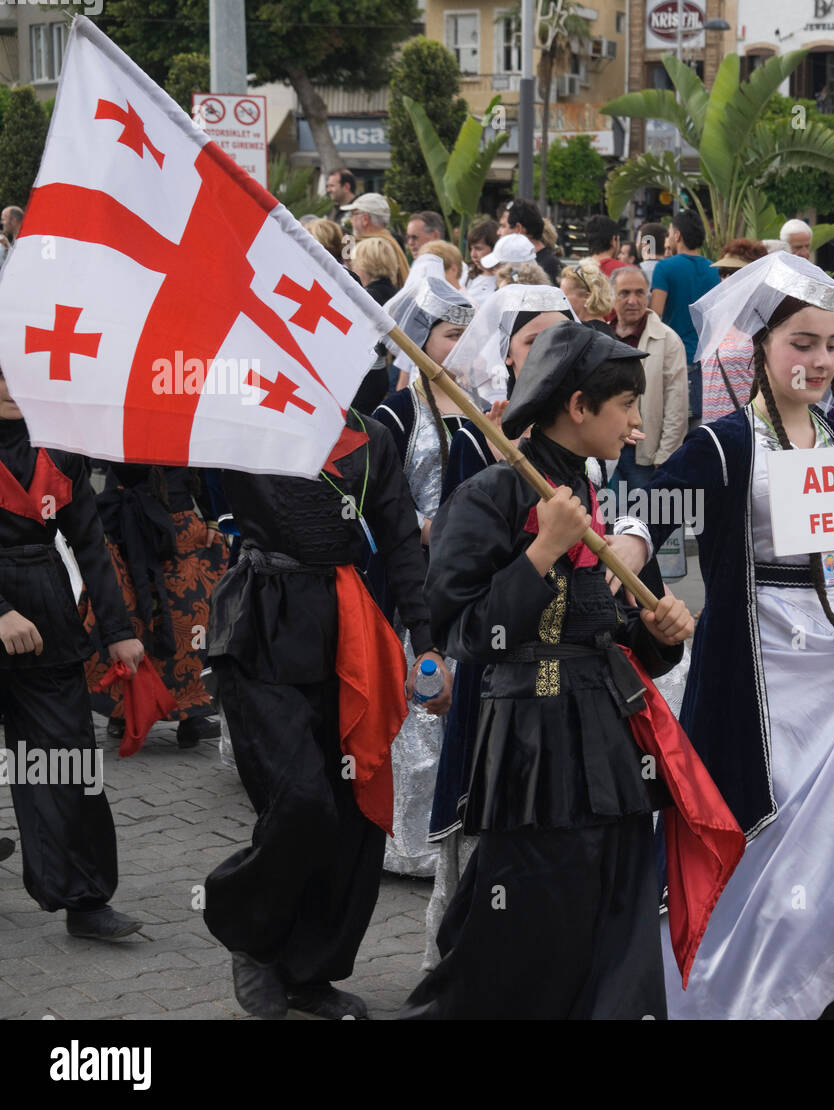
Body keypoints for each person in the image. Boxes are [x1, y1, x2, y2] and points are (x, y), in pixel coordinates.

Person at [619, 253, 834, 1018]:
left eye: (831, 343)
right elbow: (657, 508)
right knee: (760, 834)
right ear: (762, 346)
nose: (821, 360)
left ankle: (833, 992)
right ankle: (747, 992)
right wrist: (629, 545)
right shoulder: (730, 442)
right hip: (759, 671)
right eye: (802, 343)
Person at [401, 323, 694, 1018]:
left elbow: (593, 626)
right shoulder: (493, 495)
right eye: (625, 404)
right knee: (518, 940)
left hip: (607, 749)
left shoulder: (581, 492)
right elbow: (466, 632)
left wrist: (656, 635)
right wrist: (540, 554)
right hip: (531, 755)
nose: (634, 423)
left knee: (617, 930)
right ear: (579, 407)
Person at [203, 405, 436, 1021]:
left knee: (350, 811)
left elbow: (399, 536)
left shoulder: (373, 437)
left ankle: (310, 973)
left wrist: (425, 637)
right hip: (260, 628)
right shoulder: (241, 420)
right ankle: (248, 932)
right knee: (301, 802)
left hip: (345, 630)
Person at [0, 367, 147, 941]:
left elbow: (88, 540)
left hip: (48, 626)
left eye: (19, 373)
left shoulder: (57, 447)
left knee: (66, 762)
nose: (11, 386)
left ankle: (84, 899)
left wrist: (118, 629)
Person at [371, 276, 473, 881]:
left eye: (467, 334)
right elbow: (375, 498)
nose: (460, 347)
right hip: (411, 574)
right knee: (417, 698)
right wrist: (421, 528)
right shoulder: (394, 410)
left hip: (465, 578)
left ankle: (450, 826)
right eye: (450, 335)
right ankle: (407, 840)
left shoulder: (480, 406)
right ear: (418, 339)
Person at [83, 465, 227, 748]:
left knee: (192, 619)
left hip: (180, 529)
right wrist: (88, 516)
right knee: (126, 619)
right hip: (123, 524)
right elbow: (77, 463)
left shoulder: (185, 423)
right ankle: (122, 710)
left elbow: (207, 460)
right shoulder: (111, 420)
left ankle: (192, 712)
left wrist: (213, 517)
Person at [609, 266, 688, 492]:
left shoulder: (667, 340)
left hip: (645, 455)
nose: (633, 300)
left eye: (639, 293)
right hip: (606, 449)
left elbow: (677, 403)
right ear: (612, 296)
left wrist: (666, 454)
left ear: (648, 296)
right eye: (624, 293)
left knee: (646, 521)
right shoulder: (602, 336)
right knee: (608, 522)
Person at [650, 209, 720, 424]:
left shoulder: (664, 268)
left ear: (678, 235)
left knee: (672, 427)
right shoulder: (714, 270)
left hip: (675, 361)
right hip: (707, 363)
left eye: (670, 233)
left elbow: (655, 315)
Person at [700, 239, 768, 422]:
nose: (727, 279)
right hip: (713, 429)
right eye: (723, 272)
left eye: (734, 272)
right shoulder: (718, 318)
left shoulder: (764, 321)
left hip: (746, 427)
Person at [350, 236, 403, 406]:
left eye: (355, 261)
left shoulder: (370, 297)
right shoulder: (395, 292)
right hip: (383, 374)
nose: (353, 266)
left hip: (367, 377)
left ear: (366, 263)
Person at [341, 193, 409, 284]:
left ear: (365, 219)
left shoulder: (371, 247)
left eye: (353, 215)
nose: (351, 220)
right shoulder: (391, 241)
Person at [500, 199, 561, 284]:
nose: (498, 232)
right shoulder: (521, 262)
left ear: (518, 228)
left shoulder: (549, 265)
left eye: (503, 226)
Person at [559, 258, 616, 334]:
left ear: (587, 297)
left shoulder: (583, 335)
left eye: (563, 296)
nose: (559, 300)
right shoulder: (605, 331)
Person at [464, 217, 499, 303]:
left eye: (478, 249)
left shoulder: (508, 278)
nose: (473, 255)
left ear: (494, 248)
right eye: (471, 249)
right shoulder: (466, 273)